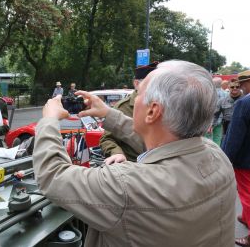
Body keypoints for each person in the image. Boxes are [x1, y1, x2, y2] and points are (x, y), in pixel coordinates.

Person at [33, 60, 235, 246]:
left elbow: (52, 175)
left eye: (138, 93)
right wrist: (108, 114)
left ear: (152, 111)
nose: (134, 97)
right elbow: (162, 139)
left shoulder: (126, 185)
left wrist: (49, 121)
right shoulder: (216, 155)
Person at [99, 62, 158, 164]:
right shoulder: (123, 107)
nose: (155, 88)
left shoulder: (163, 104)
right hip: (133, 166)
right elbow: (107, 138)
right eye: (150, 84)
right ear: (136, 84)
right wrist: (117, 153)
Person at [221, 70, 250, 246]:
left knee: (247, 196)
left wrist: (226, 159)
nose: (241, 87)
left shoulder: (244, 103)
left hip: (245, 160)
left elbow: (234, 137)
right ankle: (246, 217)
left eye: (243, 84)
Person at [207, 77, 227, 145]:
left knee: (207, 139)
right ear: (221, 83)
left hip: (209, 120)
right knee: (217, 138)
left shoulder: (208, 94)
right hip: (220, 120)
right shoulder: (226, 94)